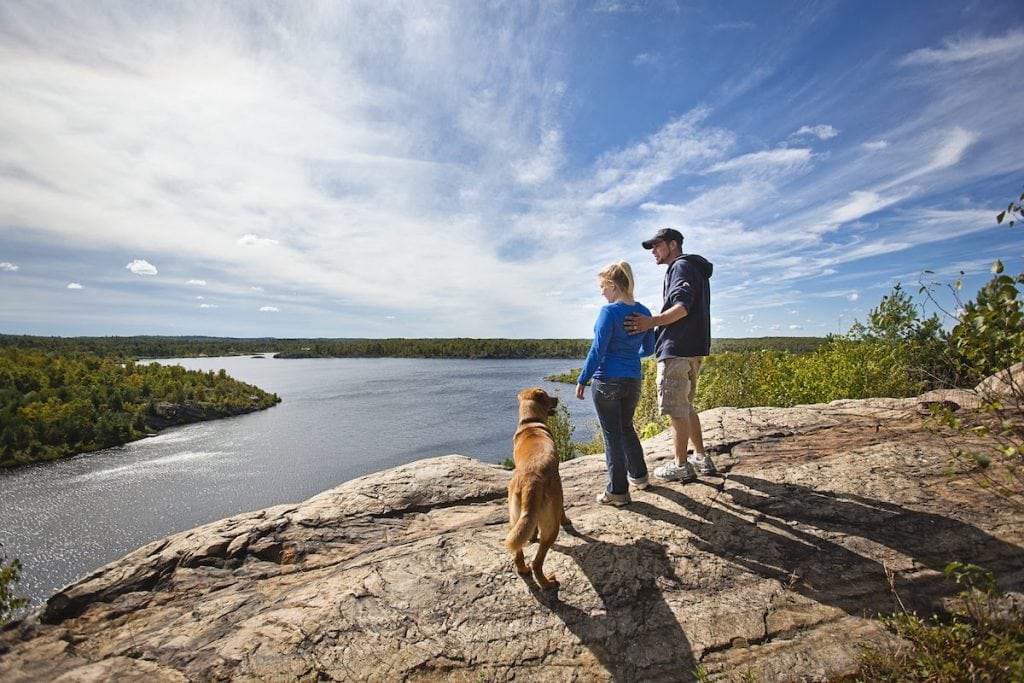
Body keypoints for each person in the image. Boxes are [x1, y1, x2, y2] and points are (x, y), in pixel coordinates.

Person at [625, 228, 716, 482]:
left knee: (676, 409)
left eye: (657, 245)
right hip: (693, 349)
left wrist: (650, 322)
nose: (653, 251)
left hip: (677, 348)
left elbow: (682, 307)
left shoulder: (680, 267)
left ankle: (680, 465)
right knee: (686, 406)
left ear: (673, 245)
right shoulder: (694, 268)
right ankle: (700, 457)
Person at [576, 261, 656, 506]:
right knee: (626, 428)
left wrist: (582, 379)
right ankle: (640, 477)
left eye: (603, 286)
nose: (602, 292)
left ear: (612, 285)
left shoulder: (608, 312)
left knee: (612, 436)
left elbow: (598, 350)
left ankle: (618, 492)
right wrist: (630, 356)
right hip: (632, 379)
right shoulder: (644, 312)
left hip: (607, 380)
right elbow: (650, 348)